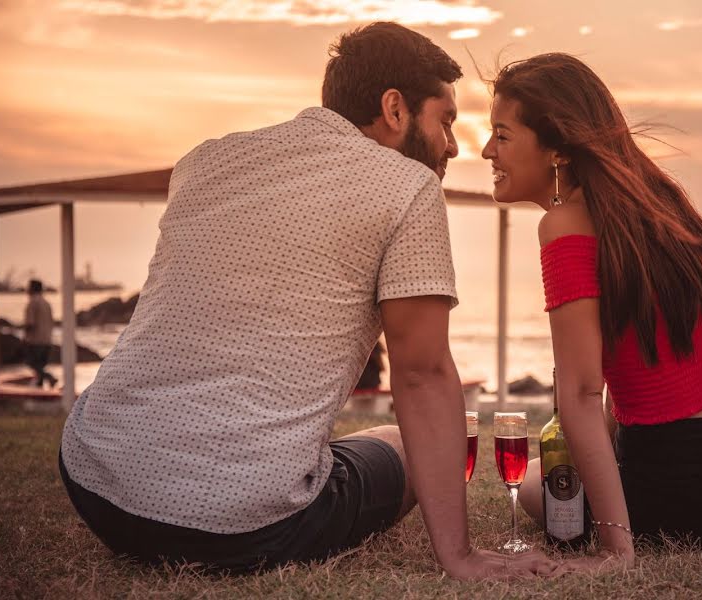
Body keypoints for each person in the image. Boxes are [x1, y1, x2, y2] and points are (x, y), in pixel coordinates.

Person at [59, 23, 556, 579]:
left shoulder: (203, 161)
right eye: (445, 120)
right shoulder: (407, 186)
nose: (454, 145)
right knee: (396, 443)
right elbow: (421, 375)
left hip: (95, 480)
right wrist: (459, 556)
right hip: (241, 525)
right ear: (394, 108)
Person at [480, 53, 702, 572]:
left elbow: (581, 395)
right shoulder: (657, 203)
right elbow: (632, 376)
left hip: (691, 481)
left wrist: (614, 552)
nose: (487, 149)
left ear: (557, 148)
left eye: (502, 134)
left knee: (543, 488)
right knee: (591, 465)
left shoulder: (564, 225)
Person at [23, 279, 58, 388]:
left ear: (32, 288)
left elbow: (30, 323)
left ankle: (50, 377)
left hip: (35, 340)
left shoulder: (32, 302)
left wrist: (25, 337)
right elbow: (52, 321)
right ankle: (40, 386)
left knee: (32, 363)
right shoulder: (46, 303)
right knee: (41, 365)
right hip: (47, 339)